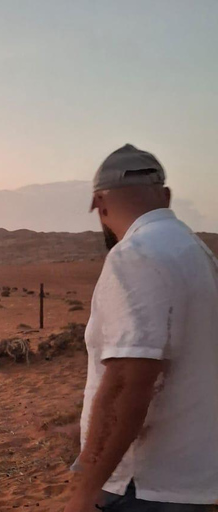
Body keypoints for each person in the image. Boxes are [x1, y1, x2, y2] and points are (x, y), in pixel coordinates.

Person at [64, 144, 218, 511]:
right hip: (191, 479)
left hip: (143, 485)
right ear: (165, 196)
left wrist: (87, 488)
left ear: (99, 204)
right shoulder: (197, 253)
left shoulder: (134, 255)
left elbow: (127, 383)